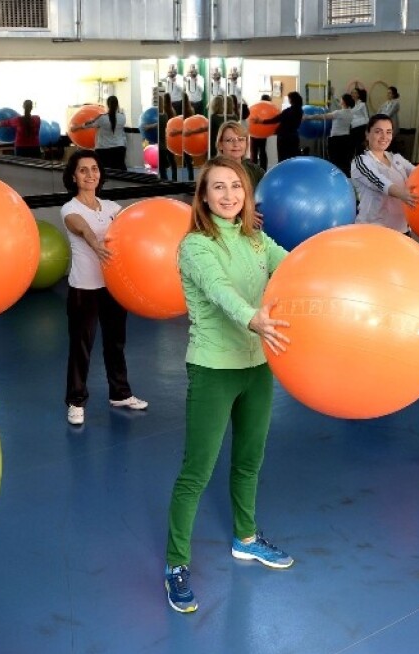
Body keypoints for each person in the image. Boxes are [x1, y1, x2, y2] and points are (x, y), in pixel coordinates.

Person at [164, 155, 294, 614]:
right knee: (196, 473)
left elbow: (294, 266)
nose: (228, 195)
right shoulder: (196, 245)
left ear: (247, 194)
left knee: (249, 461)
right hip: (214, 369)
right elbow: (220, 291)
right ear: (202, 195)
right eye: (217, 188)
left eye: (235, 187)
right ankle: (176, 564)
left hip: (258, 365)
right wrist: (254, 317)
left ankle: (246, 538)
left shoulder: (256, 238)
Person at [59, 150, 147, 427]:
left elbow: (134, 229)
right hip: (84, 288)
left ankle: (120, 393)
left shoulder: (111, 208)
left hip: (112, 287)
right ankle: (75, 401)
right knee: (81, 346)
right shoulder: (70, 208)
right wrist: (93, 241)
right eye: (83, 170)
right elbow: (81, 227)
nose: (90, 175)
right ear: (73, 176)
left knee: (116, 343)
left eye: (94, 169)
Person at [350, 114, 418, 234]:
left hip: (401, 230)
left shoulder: (397, 158)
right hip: (373, 230)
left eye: (388, 132)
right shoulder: (360, 162)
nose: (384, 137)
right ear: (367, 134)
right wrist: (403, 194)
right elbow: (379, 181)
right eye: (378, 131)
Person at [71, 95, 127, 171]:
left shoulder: (102, 118)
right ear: (117, 104)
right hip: (119, 148)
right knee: (121, 173)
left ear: (107, 105)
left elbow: (89, 124)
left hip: (104, 150)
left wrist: (76, 127)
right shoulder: (122, 117)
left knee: (104, 173)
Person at [305, 94, 355, 175]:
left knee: (335, 162)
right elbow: (338, 103)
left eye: (341, 99)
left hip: (336, 140)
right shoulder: (350, 113)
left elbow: (322, 117)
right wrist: (334, 94)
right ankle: (345, 179)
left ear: (344, 102)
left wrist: (308, 117)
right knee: (344, 161)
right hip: (346, 139)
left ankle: (335, 179)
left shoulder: (338, 113)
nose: (340, 100)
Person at [253, 91, 304, 163]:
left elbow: (276, 119)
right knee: (293, 157)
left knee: (283, 158)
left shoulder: (288, 111)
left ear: (291, 99)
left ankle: (282, 172)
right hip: (294, 136)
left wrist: (262, 121)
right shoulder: (300, 111)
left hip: (284, 137)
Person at [213, 121, 264, 189]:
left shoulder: (255, 170)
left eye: (241, 139)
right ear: (220, 145)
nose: (236, 144)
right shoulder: (212, 172)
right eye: (230, 140)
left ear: (246, 143)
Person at [157, 92, 179, 181]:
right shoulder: (172, 110)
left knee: (162, 163)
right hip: (171, 138)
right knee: (172, 160)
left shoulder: (161, 114)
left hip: (164, 138)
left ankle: (164, 179)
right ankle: (174, 178)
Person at [250, 94, 271, 170]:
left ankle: (254, 170)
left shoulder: (256, 107)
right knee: (262, 152)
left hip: (254, 133)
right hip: (262, 134)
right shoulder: (269, 109)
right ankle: (263, 169)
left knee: (254, 153)